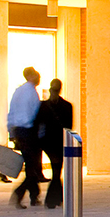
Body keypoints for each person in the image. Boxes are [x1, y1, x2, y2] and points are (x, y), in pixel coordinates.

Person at [7, 67, 43, 208]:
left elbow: (11, 112)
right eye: (36, 75)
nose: (39, 77)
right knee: (32, 165)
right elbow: (34, 114)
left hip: (19, 131)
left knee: (30, 165)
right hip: (29, 132)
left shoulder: (18, 91)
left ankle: (34, 196)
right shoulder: (31, 93)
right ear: (30, 76)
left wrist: (11, 132)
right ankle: (19, 193)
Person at [37, 79, 73, 209]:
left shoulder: (45, 106)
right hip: (52, 142)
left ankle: (56, 197)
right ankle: (53, 199)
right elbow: (68, 127)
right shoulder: (65, 106)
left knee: (56, 170)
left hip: (52, 141)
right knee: (57, 169)